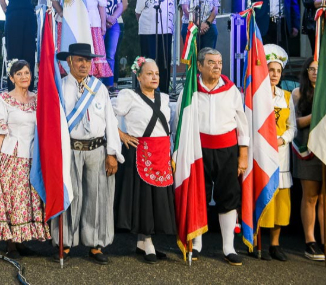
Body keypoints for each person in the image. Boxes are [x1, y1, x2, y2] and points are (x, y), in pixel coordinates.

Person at [52, 43, 123, 264]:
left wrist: (112, 153)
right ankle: (65, 242)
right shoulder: (59, 86)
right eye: (79, 60)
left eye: (87, 60)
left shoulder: (99, 87)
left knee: (97, 197)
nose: (84, 64)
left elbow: (110, 121)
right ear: (69, 61)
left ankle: (95, 244)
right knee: (69, 196)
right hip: (70, 150)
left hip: (97, 150)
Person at [0, 59, 49, 257]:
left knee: (26, 199)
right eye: (19, 73)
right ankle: (11, 244)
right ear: (12, 78)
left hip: (31, 157)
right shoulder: (2, 100)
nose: (24, 77)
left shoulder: (38, 99)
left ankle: (21, 241)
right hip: (11, 156)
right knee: (11, 199)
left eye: (27, 73)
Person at [182, 47, 248, 266]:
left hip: (227, 151)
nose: (217, 66)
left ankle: (228, 247)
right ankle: (197, 243)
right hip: (198, 150)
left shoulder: (231, 90)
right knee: (198, 194)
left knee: (228, 196)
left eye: (219, 62)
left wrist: (243, 154)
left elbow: (242, 124)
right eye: (211, 62)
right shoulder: (190, 90)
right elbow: (180, 120)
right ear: (199, 66)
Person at [114, 58, 176, 264]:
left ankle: (143, 242)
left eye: (156, 73)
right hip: (141, 153)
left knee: (157, 200)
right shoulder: (128, 97)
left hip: (161, 155)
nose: (154, 77)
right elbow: (107, 114)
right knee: (145, 200)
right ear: (139, 76)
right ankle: (147, 241)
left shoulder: (165, 99)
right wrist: (121, 134)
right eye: (149, 73)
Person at [257, 44, 296, 261]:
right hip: (262, 155)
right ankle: (257, 243)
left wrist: (281, 139)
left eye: (278, 71)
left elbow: (293, 127)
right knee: (263, 197)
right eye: (271, 70)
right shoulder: (257, 95)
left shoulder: (287, 97)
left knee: (280, 200)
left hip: (281, 155)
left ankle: (275, 244)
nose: (274, 74)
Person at [292, 57, 325, 261]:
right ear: (306, 72)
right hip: (307, 148)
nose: (315, 72)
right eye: (311, 69)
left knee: (324, 198)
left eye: (318, 69)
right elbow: (295, 122)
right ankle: (310, 241)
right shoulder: (298, 93)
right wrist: (317, 115)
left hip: (324, 149)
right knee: (310, 196)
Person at [135, 0, 175, 93]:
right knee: (148, 60)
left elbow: (172, 10)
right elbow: (138, 12)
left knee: (164, 60)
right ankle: (146, 89)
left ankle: (164, 90)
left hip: (165, 31)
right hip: (148, 31)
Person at [0, 0, 37, 86]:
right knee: (14, 54)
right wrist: (10, 14)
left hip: (29, 18)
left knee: (29, 53)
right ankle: (13, 88)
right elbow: (2, 1)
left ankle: (28, 88)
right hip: (14, 19)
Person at [76, 0, 112, 80]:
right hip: (75, 21)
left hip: (93, 20)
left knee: (94, 52)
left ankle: (93, 85)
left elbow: (101, 3)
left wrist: (103, 24)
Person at [95, 0, 122, 88]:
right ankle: (98, 85)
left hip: (113, 24)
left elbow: (120, 5)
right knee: (99, 54)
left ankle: (109, 85)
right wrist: (105, 19)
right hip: (97, 23)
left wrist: (113, 18)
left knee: (111, 55)